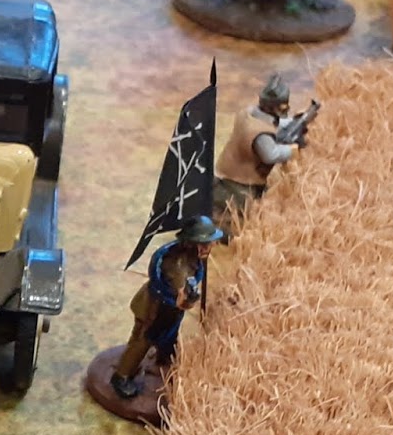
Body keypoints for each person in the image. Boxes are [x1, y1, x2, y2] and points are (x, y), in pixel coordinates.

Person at [111, 216, 223, 400]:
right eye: (205, 243)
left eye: (209, 243)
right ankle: (122, 376)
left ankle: (163, 358)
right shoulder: (179, 267)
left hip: (167, 309)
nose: (211, 246)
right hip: (154, 309)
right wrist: (190, 297)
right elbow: (182, 300)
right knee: (142, 341)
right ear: (192, 244)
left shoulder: (190, 257)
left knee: (168, 337)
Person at [213, 74, 298, 225]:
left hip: (228, 172)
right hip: (240, 183)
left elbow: (273, 123)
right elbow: (271, 155)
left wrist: (293, 123)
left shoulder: (249, 114)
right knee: (241, 216)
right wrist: (291, 150)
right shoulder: (260, 134)